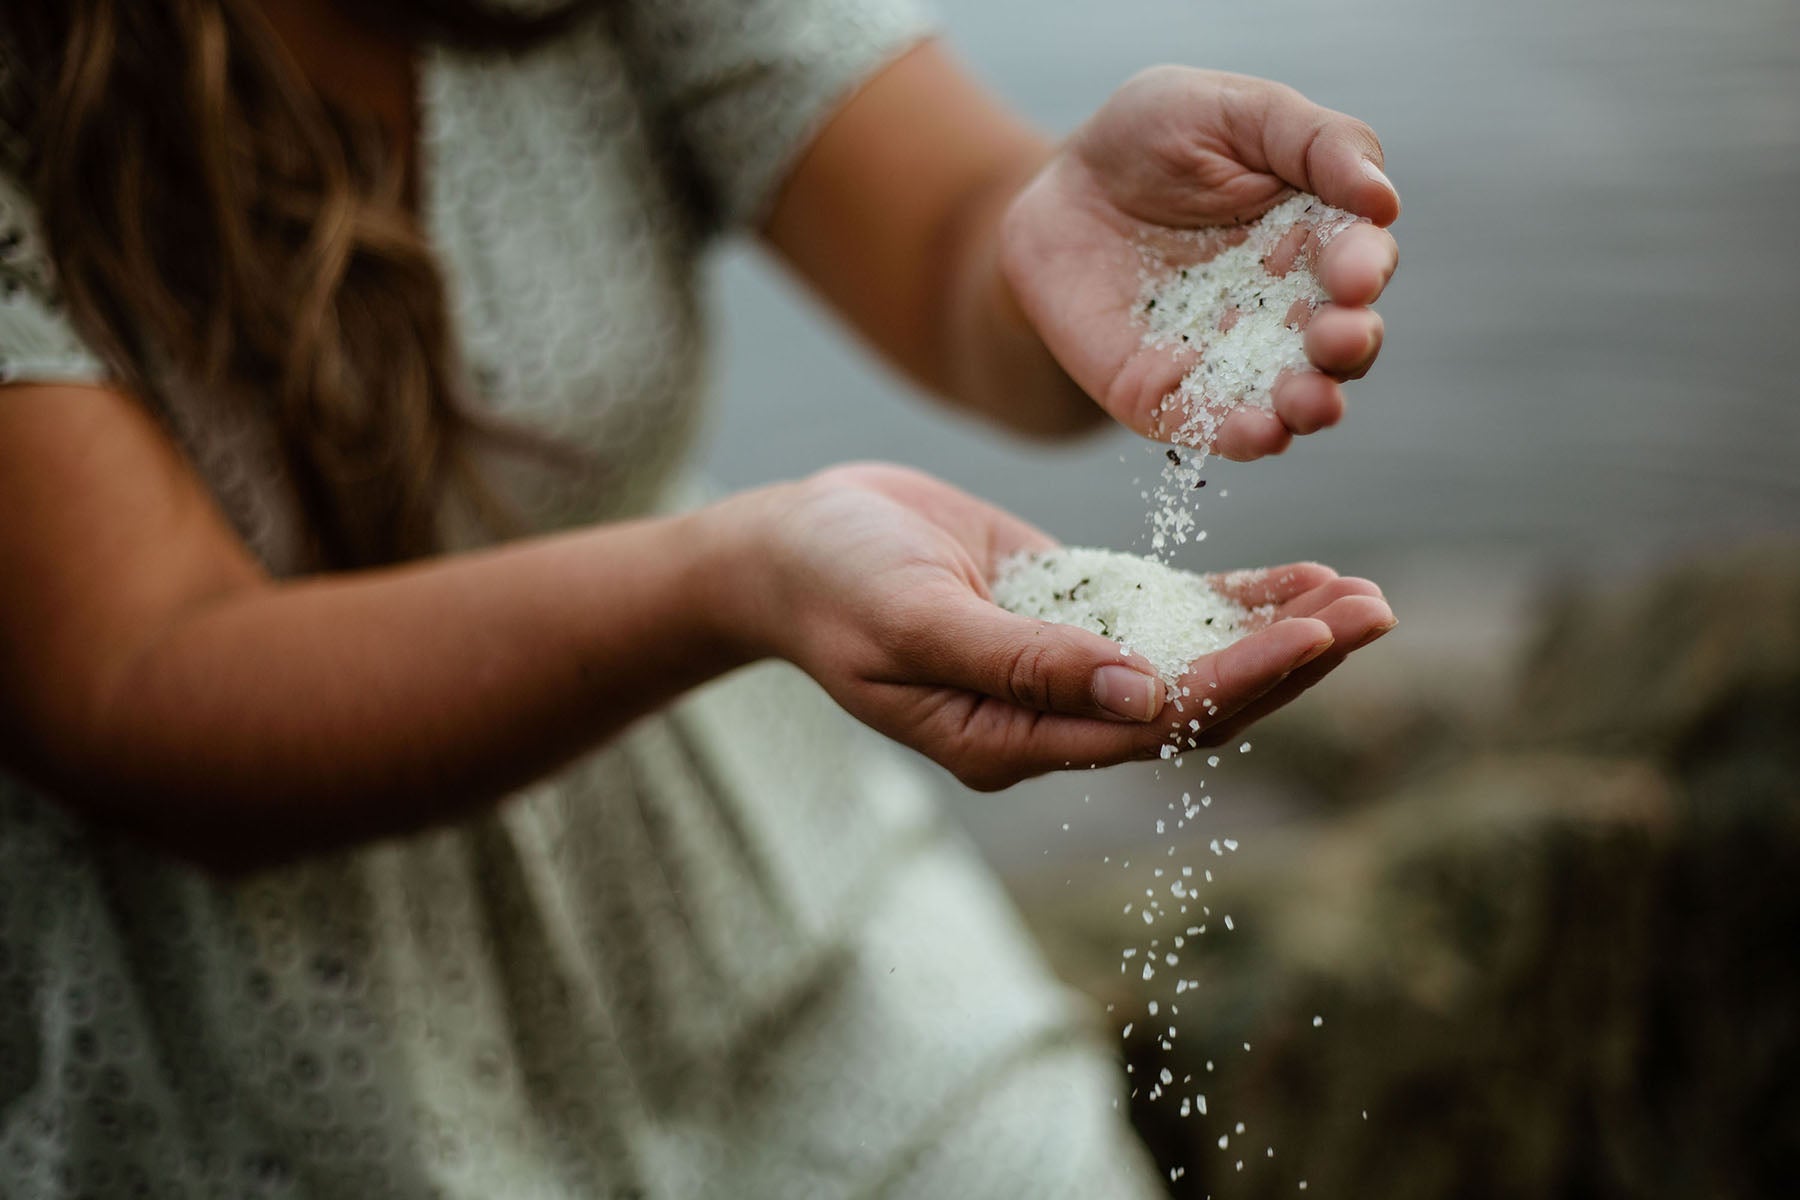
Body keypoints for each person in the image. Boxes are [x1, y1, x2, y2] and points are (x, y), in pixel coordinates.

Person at [0, 0, 1399, 1194]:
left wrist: (1061, 245)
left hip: (764, 917)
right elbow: (136, 681)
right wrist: (735, 575)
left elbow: (951, 247)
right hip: (246, 1058)